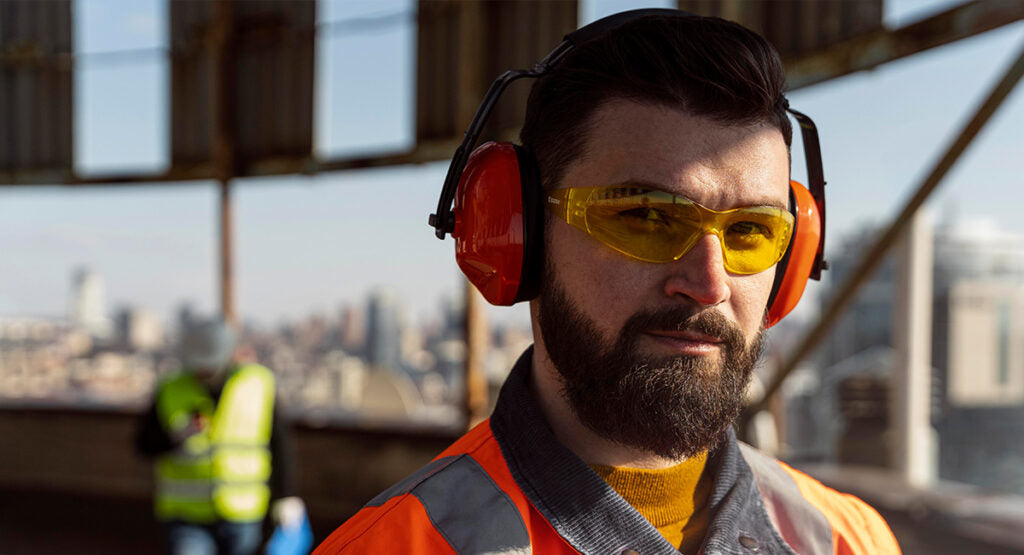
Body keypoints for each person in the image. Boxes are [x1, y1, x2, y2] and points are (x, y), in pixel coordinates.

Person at [316, 9, 900, 555]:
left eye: (750, 230)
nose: (709, 283)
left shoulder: (851, 539)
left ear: (790, 261)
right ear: (519, 237)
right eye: (646, 216)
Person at [136, 318, 307, 555]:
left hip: (244, 510)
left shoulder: (258, 384)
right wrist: (175, 437)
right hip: (186, 514)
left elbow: (280, 445)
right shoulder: (171, 387)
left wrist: (286, 496)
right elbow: (144, 444)